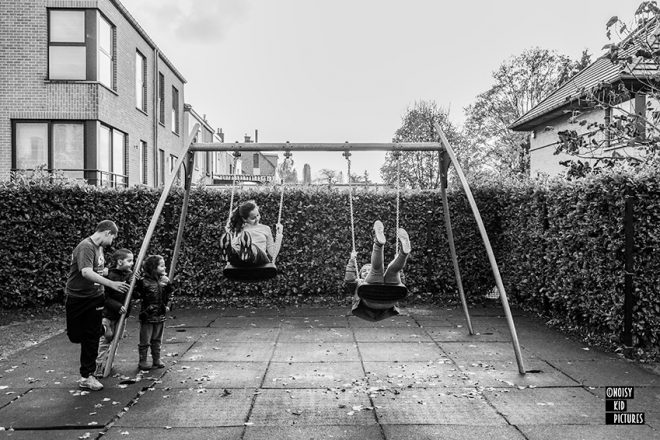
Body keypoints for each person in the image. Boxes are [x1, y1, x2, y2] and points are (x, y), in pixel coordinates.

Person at [65, 220, 129, 391]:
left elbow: (100, 270)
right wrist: (111, 284)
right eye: (113, 238)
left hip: (95, 297)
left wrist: (124, 273)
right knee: (75, 336)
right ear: (107, 232)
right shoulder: (86, 246)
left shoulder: (100, 249)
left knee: (91, 338)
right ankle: (100, 328)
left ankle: (87, 376)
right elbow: (86, 272)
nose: (112, 242)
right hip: (77, 298)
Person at [344, 220, 411, 322]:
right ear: (360, 275)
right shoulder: (358, 282)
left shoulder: (361, 283)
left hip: (386, 297)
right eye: (364, 271)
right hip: (378, 299)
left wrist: (352, 260)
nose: (366, 272)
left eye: (367, 270)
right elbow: (349, 280)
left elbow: (349, 279)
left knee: (391, 270)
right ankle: (380, 244)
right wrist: (352, 261)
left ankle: (403, 252)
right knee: (382, 271)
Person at [94, 248, 134, 377]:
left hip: (122, 314)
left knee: (116, 339)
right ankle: (99, 364)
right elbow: (104, 296)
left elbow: (135, 293)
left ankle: (108, 362)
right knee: (106, 339)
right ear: (120, 261)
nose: (132, 263)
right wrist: (117, 306)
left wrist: (137, 281)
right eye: (129, 261)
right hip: (109, 313)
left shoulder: (130, 275)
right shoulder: (108, 275)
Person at [135, 255, 172, 370]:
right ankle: (143, 360)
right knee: (145, 339)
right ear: (153, 268)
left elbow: (170, 295)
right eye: (161, 266)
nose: (165, 268)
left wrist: (168, 305)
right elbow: (137, 294)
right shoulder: (144, 281)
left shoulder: (164, 280)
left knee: (157, 338)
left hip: (160, 313)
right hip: (148, 314)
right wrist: (136, 281)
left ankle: (156, 358)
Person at [220, 200, 283, 266]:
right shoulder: (240, 229)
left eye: (258, 215)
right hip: (241, 260)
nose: (257, 219)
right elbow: (235, 244)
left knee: (252, 247)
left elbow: (273, 253)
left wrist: (279, 234)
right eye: (253, 218)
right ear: (245, 219)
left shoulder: (265, 228)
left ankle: (247, 251)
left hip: (260, 259)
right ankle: (229, 252)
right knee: (236, 248)